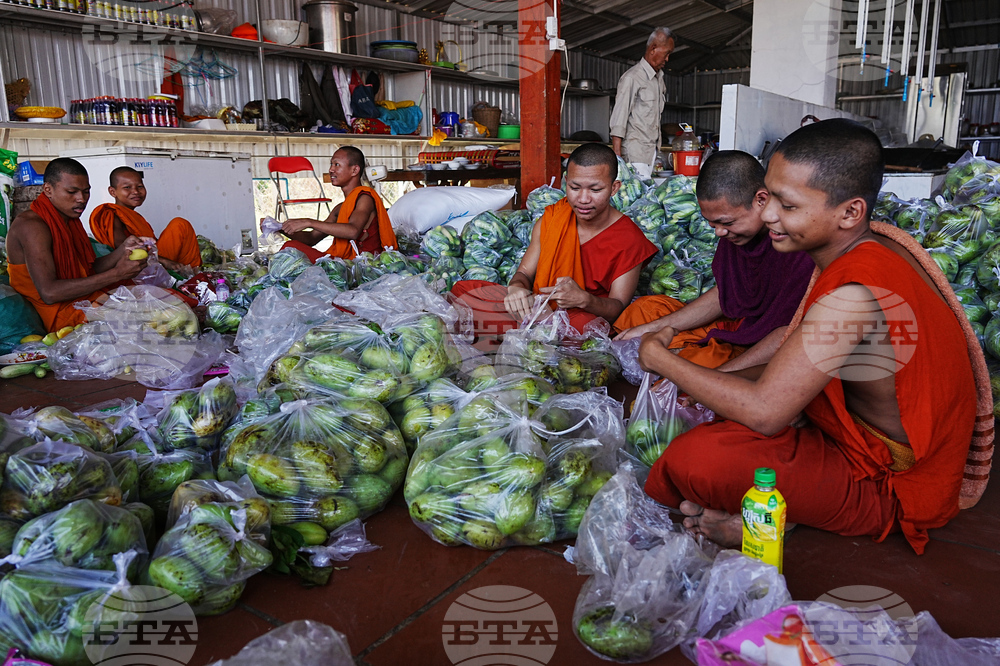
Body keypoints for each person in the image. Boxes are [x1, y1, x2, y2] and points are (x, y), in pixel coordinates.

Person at [639, 119, 980, 555]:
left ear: (850, 212)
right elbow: (789, 370)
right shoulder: (869, 248)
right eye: (768, 197)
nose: (767, 215)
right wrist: (713, 382)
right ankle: (773, 507)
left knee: (696, 460)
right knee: (717, 409)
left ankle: (783, 517)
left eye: (788, 205)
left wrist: (659, 358)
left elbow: (766, 412)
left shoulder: (854, 295)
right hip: (849, 430)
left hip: (889, 479)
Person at [615, 151, 815, 370]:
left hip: (768, 340)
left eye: (726, 222)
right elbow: (725, 294)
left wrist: (719, 376)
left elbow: (792, 333)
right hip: (739, 324)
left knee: (701, 362)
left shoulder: (798, 245)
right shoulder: (736, 236)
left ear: (761, 200)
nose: (719, 233)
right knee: (642, 312)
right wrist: (655, 327)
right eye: (711, 224)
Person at [451, 143, 657, 339]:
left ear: (614, 188)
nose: (583, 199)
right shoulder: (553, 218)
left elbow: (617, 308)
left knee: (583, 327)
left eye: (595, 190)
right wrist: (516, 288)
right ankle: (527, 332)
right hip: (536, 308)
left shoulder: (629, 238)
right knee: (465, 290)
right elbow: (523, 273)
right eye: (575, 188)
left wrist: (585, 300)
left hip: (578, 317)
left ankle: (514, 334)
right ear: (566, 182)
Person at [6, 158, 147, 332]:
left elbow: (88, 270)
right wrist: (116, 274)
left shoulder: (69, 219)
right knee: (139, 323)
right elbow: (49, 293)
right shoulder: (32, 225)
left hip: (83, 299)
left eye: (86, 191)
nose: (81, 199)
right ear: (48, 190)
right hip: (57, 314)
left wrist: (123, 250)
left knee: (154, 304)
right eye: (72, 192)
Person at [279, 147, 396, 261]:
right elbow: (311, 239)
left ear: (354, 170)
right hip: (343, 262)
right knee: (291, 247)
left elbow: (353, 231)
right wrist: (279, 227)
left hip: (362, 266)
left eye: (337, 164)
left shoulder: (365, 198)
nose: (331, 169)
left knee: (291, 248)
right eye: (331, 164)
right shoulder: (340, 208)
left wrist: (309, 222)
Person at [89, 166, 202, 271]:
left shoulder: (134, 216)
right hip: (138, 264)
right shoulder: (112, 215)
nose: (135, 191)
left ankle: (190, 274)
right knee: (180, 225)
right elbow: (124, 249)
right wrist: (163, 260)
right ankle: (193, 275)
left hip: (149, 257)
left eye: (140, 186)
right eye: (127, 187)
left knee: (181, 226)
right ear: (112, 192)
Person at [609, 27, 674, 167]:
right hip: (634, 153)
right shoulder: (632, 78)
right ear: (653, 49)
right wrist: (617, 157)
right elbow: (619, 118)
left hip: (652, 152)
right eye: (666, 53)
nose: (667, 59)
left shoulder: (659, 79)